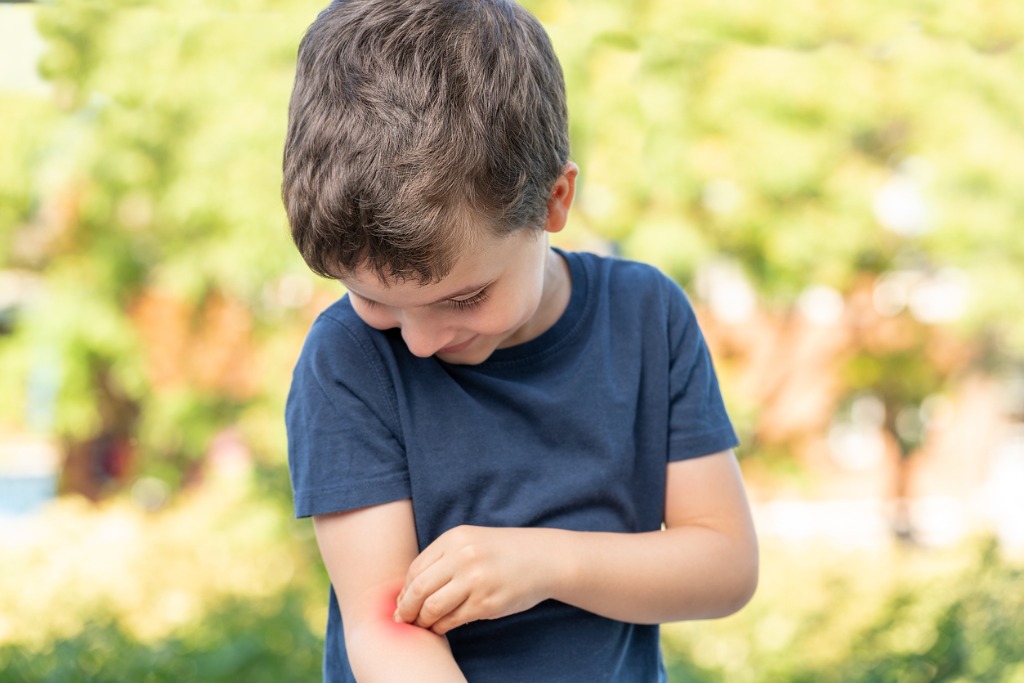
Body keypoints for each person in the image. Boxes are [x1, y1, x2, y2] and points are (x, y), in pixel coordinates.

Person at [282, 1, 758, 680]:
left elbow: (724, 563)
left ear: (554, 202)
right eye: (376, 300)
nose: (418, 342)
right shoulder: (347, 361)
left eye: (464, 297)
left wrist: (546, 562)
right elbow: (384, 629)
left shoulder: (647, 317)